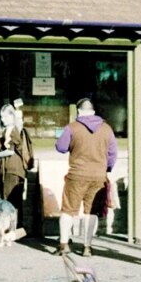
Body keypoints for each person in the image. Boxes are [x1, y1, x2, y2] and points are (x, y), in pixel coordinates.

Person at [56, 97, 117, 257]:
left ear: (79, 111)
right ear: (94, 111)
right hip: (98, 176)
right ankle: (87, 247)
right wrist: (106, 168)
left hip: (76, 175)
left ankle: (64, 245)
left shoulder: (72, 127)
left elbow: (61, 147)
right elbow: (112, 154)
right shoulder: (107, 129)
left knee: (68, 210)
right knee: (91, 212)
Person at [0, 104, 28, 225]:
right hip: (13, 169)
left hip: (13, 169)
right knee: (12, 200)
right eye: (1, 117)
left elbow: (11, 150)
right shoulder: (11, 128)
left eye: (4, 117)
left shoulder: (13, 129)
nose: (2, 119)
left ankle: (13, 231)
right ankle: (14, 230)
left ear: (11, 115)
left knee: (11, 201)